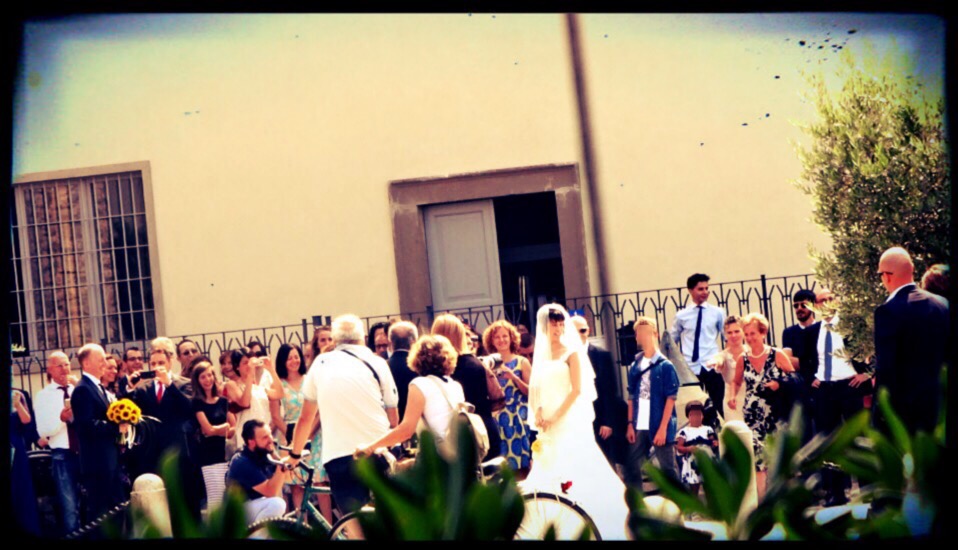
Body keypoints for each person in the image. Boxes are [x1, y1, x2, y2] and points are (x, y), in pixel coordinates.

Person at [524, 304, 630, 540]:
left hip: (567, 416)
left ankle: (588, 514)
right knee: (549, 462)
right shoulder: (541, 355)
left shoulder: (571, 352)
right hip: (547, 418)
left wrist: (556, 415)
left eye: (561, 323)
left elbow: (576, 390)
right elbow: (537, 388)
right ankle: (551, 517)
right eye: (553, 323)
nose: (558, 328)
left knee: (575, 460)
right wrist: (539, 411)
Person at [288, 314, 400, 515]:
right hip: (375, 449)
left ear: (336, 339)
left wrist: (295, 454)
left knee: (352, 519)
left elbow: (305, 419)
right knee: (386, 518)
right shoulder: (378, 363)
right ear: (363, 337)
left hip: (339, 455)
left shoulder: (321, 363)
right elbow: (393, 419)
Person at [807, 289, 873, 506]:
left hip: (850, 386)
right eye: (821, 301)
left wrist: (867, 373)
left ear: (836, 301)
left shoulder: (849, 326)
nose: (826, 303)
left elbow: (871, 347)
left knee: (858, 438)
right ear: (815, 305)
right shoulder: (813, 330)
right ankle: (836, 493)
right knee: (829, 441)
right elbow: (806, 359)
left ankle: (867, 491)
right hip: (825, 390)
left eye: (829, 299)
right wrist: (812, 378)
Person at [874, 247, 949, 434]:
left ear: (886, 276)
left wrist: (879, 416)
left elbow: (886, 370)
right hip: (940, 407)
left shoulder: (887, 312)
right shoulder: (941, 305)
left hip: (906, 415)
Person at [355, 334, 466, 457]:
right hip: (459, 456)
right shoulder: (455, 385)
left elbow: (407, 430)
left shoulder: (420, 384)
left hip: (437, 458)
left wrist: (371, 447)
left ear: (417, 357)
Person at [728, 313, 795, 500]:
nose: (749, 338)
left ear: (763, 333)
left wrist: (778, 384)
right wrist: (732, 396)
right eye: (747, 334)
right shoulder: (743, 358)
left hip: (776, 414)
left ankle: (784, 501)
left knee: (778, 459)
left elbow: (794, 378)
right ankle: (763, 503)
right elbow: (736, 381)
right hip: (753, 417)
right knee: (759, 462)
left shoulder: (776, 354)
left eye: (753, 334)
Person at [432, 314, 504, 461]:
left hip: (464, 435)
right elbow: (495, 398)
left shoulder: (443, 369)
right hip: (485, 429)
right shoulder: (476, 363)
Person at [271, 343, 328, 518]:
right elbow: (276, 417)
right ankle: (302, 525)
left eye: (296, 356)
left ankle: (330, 526)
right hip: (289, 437)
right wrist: (292, 437)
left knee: (320, 482)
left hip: (315, 435)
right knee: (296, 485)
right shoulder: (278, 385)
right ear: (282, 361)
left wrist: (309, 432)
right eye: (289, 358)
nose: (294, 361)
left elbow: (319, 410)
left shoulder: (310, 379)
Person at [71, 343, 126, 522]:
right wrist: (116, 428)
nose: (105, 363)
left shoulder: (98, 387)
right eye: (100, 359)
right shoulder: (83, 389)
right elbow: (86, 425)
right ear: (86, 363)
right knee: (101, 515)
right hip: (97, 464)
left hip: (109, 461)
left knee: (115, 511)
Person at [624, 317, 680, 489]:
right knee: (632, 464)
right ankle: (636, 500)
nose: (642, 336)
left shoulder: (665, 366)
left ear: (655, 334)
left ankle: (679, 501)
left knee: (667, 468)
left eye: (646, 332)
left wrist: (663, 428)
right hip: (639, 423)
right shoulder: (635, 365)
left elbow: (671, 398)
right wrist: (630, 424)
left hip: (658, 422)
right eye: (639, 333)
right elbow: (631, 396)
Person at [34, 351, 82, 535]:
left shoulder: (79, 389)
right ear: (50, 370)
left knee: (92, 501)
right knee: (69, 507)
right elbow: (43, 431)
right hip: (63, 455)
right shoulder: (43, 396)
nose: (64, 369)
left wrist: (79, 388)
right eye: (59, 365)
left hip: (85, 452)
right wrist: (61, 419)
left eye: (67, 364)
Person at [570, 316, 624, 469]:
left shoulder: (602, 355)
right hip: (576, 419)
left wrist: (608, 422)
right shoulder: (565, 357)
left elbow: (610, 391)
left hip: (599, 420)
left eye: (582, 330)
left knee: (606, 463)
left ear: (588, 331)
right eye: (575, 331)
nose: (579, 334)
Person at [670, 274, 726, 413]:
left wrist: (724, 359)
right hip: (691, 367)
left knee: (719, 404)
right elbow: (672, 340)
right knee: (694, 407)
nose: (705, 292)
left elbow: (727, 337)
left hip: (712, 365)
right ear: (690, 290)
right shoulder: (681, 315)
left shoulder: (717, 313)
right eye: (700, 289)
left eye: (707, 288)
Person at [482, 320, 532, 475]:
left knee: (523, 464)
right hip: (498, 418)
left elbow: (531, 392)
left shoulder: (522, 362)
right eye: (497, 337)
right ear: (491, 340)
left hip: (518, 417)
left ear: (511, 338)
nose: (501, 340)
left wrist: (514, 378)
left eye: (505, 336)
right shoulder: (486, 363)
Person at [225, 420, 288, 526]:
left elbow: (287, 478)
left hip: (253, 506)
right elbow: (270, 491)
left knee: (276, 504)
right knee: (277, 504)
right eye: (265, 437)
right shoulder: (242, 461)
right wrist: (281, 465)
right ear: (251, 442)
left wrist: (278, 457)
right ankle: (256, 534)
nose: (271, 440)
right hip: (236, 514)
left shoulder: (262, 453)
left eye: (270, 435)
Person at [224, 348, 284, 456]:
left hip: (264, 437)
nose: (249, 366)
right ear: (237, 366)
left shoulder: (259, 388)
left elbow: (279, 393)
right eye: (245, 363)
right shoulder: (232, 385)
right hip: (247, 439)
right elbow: (245, 402)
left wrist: (271, 369)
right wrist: (250, 374)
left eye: (250, 362)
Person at [780, 289, 819, 441]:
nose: (799, 309)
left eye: (803, 305)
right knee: (803, 432)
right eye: (796, 306)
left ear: (813, 305)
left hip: (820, 384)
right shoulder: (789, 332)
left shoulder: (821, 328)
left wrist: (802, 362)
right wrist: (811, 362)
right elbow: (787, 361)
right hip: (800, 386)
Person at [191, 357, 236, 467]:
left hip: (225, 454)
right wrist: (225, 426)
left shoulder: (223, 401)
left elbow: (234, 428)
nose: (207, 379)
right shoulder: (197, 402)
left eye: (209, 375)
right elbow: (209, 430)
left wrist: (216, 430)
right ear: (197, 381)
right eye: (203, 377)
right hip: (207, 455)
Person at [11, 386, 41, 536]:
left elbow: (27, 421)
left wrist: (18, 405)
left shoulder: (17, 393)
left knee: (20, 488)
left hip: (15, 448)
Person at [706, 316, 748, 422]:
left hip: (751, 399)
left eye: (737, 331)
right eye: (729, 332)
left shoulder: (751, 351)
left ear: (743, 331)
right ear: (725, 335)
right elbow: (718, 360)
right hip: (731, 403)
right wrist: (715, 363)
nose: (733, 335)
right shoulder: (723, 355)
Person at [675, 401, 718, 498]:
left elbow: (713, 442)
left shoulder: (708, 429)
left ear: (703, 416)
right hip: (692, 464)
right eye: (692, 414)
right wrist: (688, 449)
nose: (696, 417)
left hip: (707, 461)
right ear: (688, 416)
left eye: (698, 414)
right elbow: (679, 447)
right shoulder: (684, 431)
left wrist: (715, 444)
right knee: (694, 489)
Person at [386, 321, 420, 419]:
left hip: (392, 421)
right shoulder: (420, 367)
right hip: (418, 421)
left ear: (390, 342)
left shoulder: (384, 367)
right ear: (414, 341)